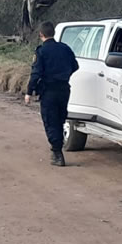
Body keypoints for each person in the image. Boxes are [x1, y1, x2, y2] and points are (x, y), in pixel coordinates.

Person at [25, 21, 79, 167]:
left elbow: (36, 73)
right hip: (64, 89)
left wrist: (29, 92)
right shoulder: (65, 49)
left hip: (48, 90)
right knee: (60, 119)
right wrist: (64, 75)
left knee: (50, 121)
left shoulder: (41, 51)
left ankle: (57, 153)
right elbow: (75, 66)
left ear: (41, 34)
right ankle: (57, 148)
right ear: (53, 33)